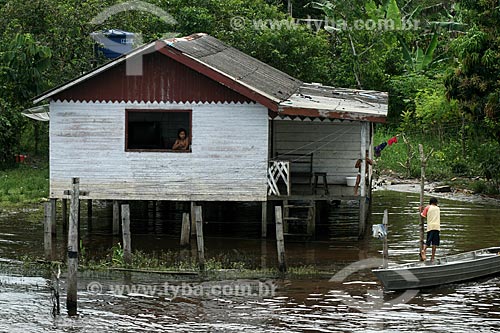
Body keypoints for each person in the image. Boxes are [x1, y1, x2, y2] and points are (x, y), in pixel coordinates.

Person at [420, 197, 441, 262]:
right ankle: (432, 258)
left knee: (428, 241)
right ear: (436, 202)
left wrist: (420, 211)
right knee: (434, 243)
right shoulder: (438, 208)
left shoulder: (428, 207)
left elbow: (423, 215)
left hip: (430, 227)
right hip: (437, 227)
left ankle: (423, 250)